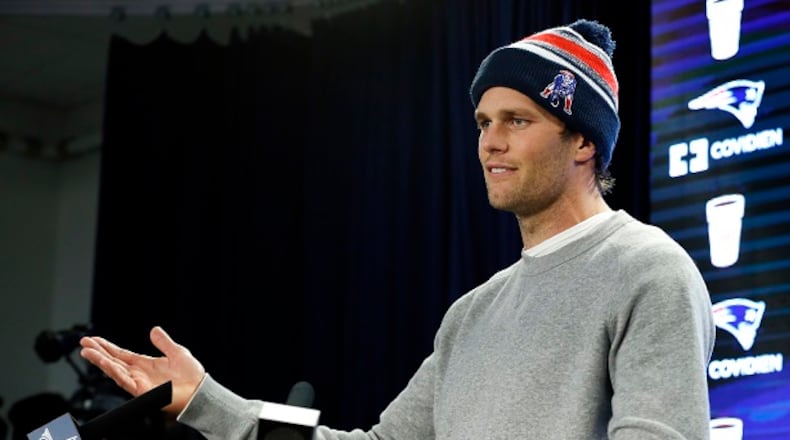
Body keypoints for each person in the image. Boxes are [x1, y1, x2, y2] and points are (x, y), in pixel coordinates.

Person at [79, 18, 716, 439]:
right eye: (482, 123)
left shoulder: (646, 269)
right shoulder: (472, 315)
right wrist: (205, 400)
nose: (490, 143)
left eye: (517, 120)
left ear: (583, 141)